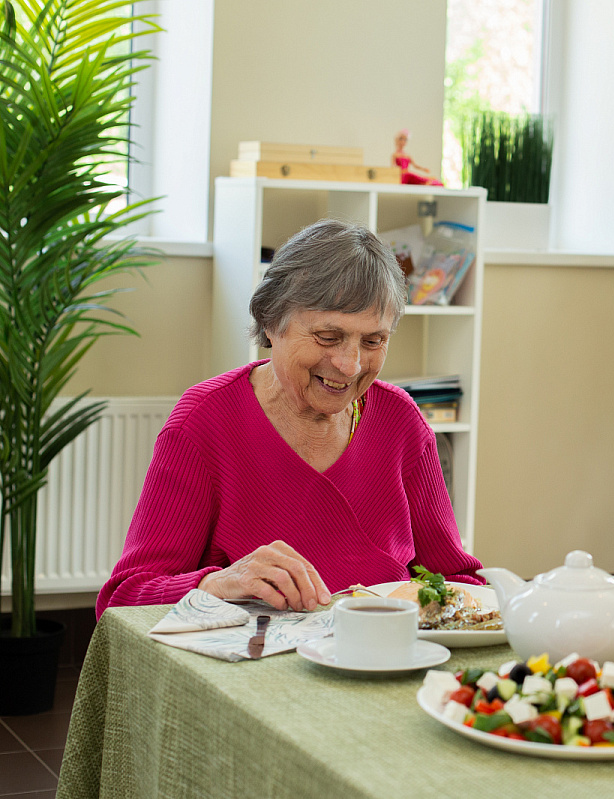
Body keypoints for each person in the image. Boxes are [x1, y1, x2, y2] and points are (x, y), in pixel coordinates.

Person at [98, 220, 480, 616]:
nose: (350, 366)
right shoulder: (204, 422)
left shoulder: (401, 422)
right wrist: (215, 584)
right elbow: (124, 599)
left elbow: (461, 582)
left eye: (373, 341)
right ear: (270, 321)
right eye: (328, 337)